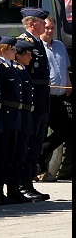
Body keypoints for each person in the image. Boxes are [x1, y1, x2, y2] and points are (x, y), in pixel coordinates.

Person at [40, 16, 71, 180]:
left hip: (58, 98)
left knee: (65, 130)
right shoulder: (38, 47)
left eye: (52, 28)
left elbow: (64, 67)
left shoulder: (59, 45)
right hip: (44, 98)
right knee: (40, 132)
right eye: (47, 28)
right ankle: (39, 168)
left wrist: (68, 82)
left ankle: (40, 155)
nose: (50, 31)